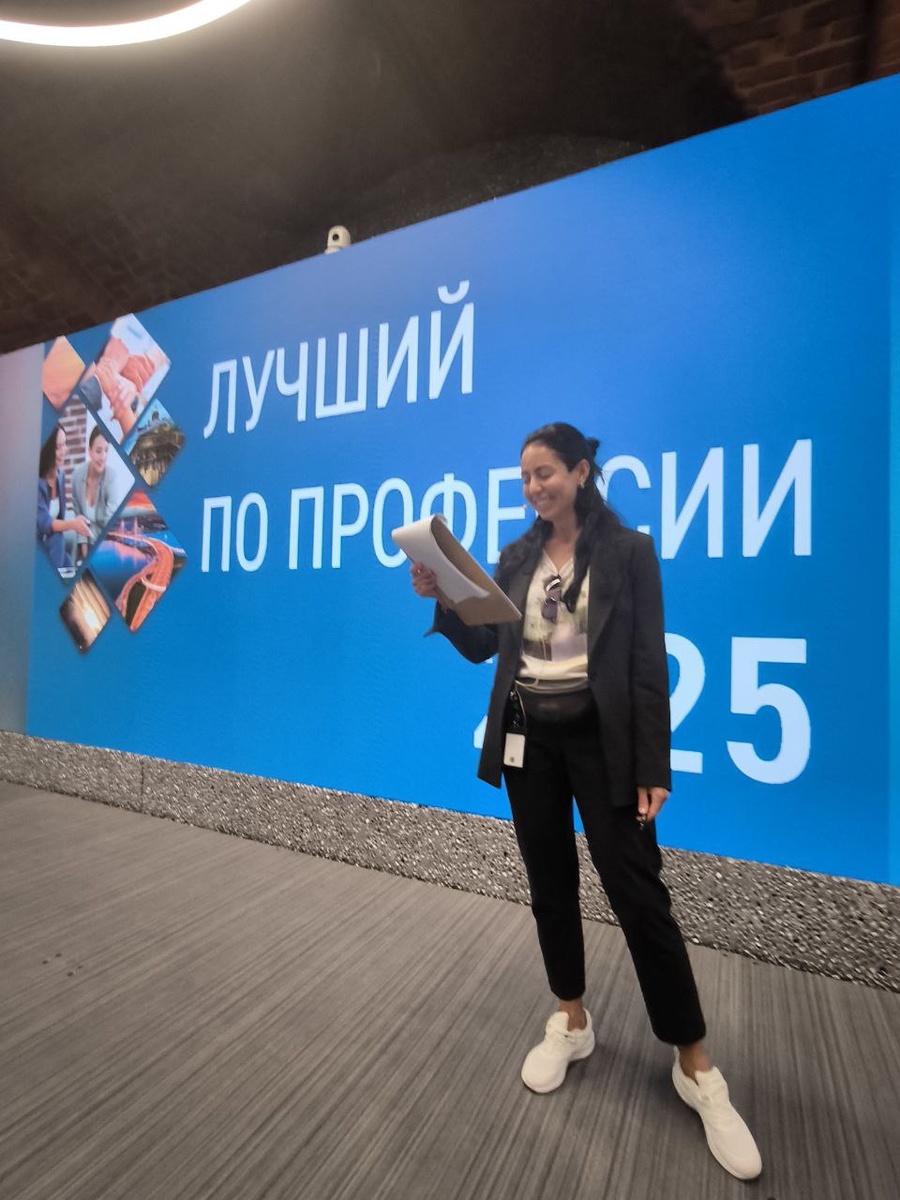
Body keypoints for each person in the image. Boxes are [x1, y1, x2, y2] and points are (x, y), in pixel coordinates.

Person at [410, 422, 762, 1181]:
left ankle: (695, 1064)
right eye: (524, 477)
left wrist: (652, 764)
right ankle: (571, 1018)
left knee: (639, 895)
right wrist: (444, 598)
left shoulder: (629, 552)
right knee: (550, 887)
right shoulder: (515, 558)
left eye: (545, 473)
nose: (533, 487)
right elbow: (486, 648)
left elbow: (646, 661)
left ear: (580, 471)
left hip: (604, 744)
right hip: (528, 739)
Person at [37, 425, 91, 571]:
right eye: (58, 447)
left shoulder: (61, 476)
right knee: (58, 539)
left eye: (65, 444)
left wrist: (77, 520)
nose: (64, 450)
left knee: (68, 563)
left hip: (52, 545)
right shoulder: (36, 483)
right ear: (48, 450)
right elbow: (45, 523)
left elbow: (60, 518)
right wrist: (73, 524)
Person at [70, 426, 117, 559]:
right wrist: (85, 554)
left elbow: (110, 521)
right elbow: (79, 517)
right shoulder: (77, 475)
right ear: (89, 451)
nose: (103, 457)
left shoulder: (111, 477)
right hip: (83, 547)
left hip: (105, 547)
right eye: (98, 451)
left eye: (106, 450)